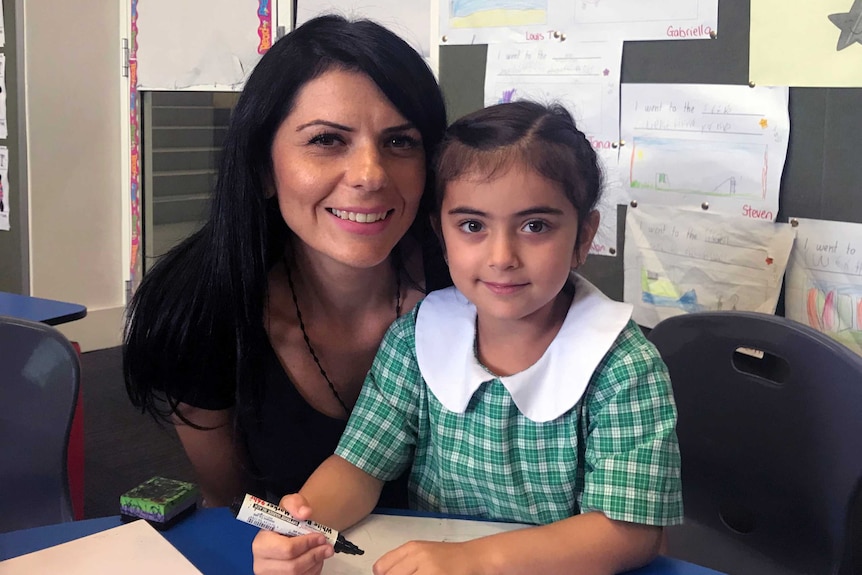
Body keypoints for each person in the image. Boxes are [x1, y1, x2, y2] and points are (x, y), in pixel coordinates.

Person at [252, 101, 683, 575]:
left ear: (583, 237)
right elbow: (359, 465)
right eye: (472, 226)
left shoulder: (623, 367)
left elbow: (629, 531)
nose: (502, 257)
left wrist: (476, 562)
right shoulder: (418, 338)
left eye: (535, 226)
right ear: (442, 233)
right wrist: (300, 525)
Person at [122, 15, 450, 510]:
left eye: (400, 141)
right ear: (263, 168)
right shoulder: (203, 308)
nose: (370, 175)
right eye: (326, 140)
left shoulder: (477, 282)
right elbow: (232, 502)